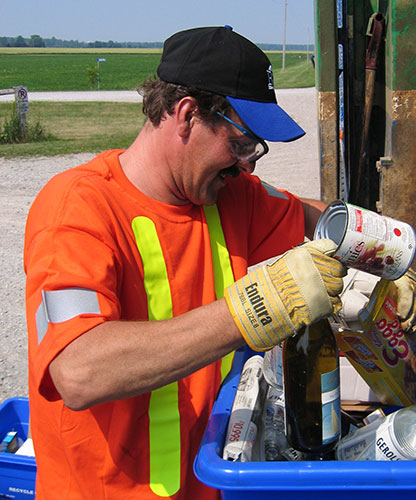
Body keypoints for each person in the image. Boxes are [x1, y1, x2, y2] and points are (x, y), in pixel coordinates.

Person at [24, 26, 345, 500]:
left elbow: (312, 216)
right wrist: (256, 310)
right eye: (242, 143)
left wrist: (388, 257)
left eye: (256, 149)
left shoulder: (230, 196)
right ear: (188, 115)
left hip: (209, 486)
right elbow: (78, 370)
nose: (248, 166)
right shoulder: (76, 209)